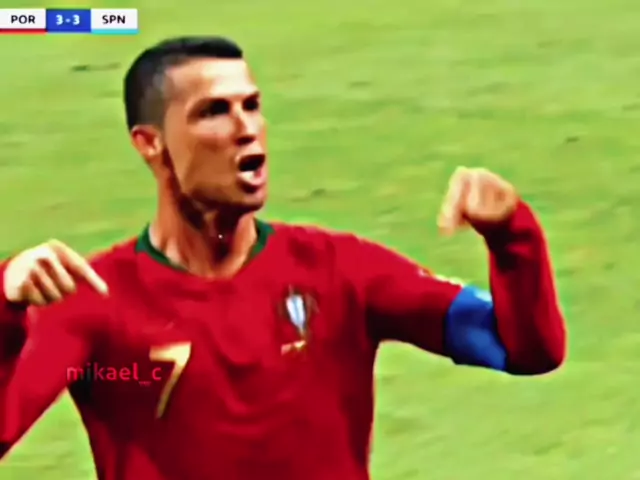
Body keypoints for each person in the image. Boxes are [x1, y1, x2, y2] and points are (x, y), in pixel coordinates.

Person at [0, 36, 566, 479]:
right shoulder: (93, 300)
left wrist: (512, 237)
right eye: (213, 112)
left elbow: (524, 349)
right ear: (150, 143)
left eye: (252, 106)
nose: (246, 129)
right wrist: (5, 308)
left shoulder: (341, 272)